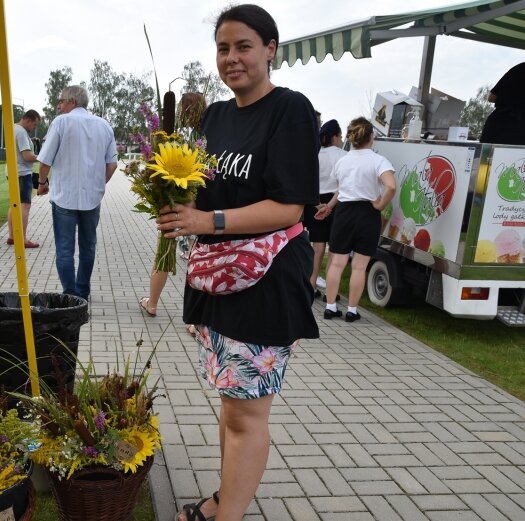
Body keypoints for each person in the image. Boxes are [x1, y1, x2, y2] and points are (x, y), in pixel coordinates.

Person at [155, 6, 320, 520]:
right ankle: (223, 501)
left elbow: (290, 204)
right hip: (221, 278)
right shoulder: (216, 117)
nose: (232, 58)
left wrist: (208, 223)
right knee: (231, 407)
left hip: (266, 280)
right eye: (223, 48)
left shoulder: (290, 110)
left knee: (247, 414)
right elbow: (207, 190)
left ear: (271, 48)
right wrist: (170, 194)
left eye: (244, 46)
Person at [36, 86, 117, 301]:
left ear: (72, 101)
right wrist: (99, 183)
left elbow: (44, 161)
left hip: (64, 196)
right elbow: (112, 164)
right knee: (88, 247)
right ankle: (83, 292)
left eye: (61, 101)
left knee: (65, 249)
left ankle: (70, 295)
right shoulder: (104, 125)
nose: (59, 106)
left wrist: (42, 183)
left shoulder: (61, 123)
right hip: (92, 197)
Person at [317, 117, 396, 322]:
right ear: (371, 136)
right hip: (367, 214)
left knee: (336, 264)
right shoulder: (378, 160)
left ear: (352, 138)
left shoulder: (343, 160)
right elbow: (391, 186)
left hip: (343, 213)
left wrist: (330, 207)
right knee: (359, 266)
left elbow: (341, 190)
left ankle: (331, 307)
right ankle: (352, 310)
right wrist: (380, 205)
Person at [140, 93, 206, 319]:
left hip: (179, 205)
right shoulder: (210, 134)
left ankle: (153, 304)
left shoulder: (177, 136)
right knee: (196, 260)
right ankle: (193, 318)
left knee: (166, 251)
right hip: (202, 207)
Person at [304, 119, 345, 299]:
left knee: (318, 246)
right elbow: (343, 185)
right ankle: (331, 290)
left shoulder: (315, 154)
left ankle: (311, 285)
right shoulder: (343, 155)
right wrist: (329, 206)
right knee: (334, 248)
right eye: (341, 136)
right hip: (335, 201)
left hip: (315, 200)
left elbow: (306, 181)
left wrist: (316, 204)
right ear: (335, 136)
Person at [6, 109, 41, 248]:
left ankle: (12, 236)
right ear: (28, 120)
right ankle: (23, 239)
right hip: (22, 173)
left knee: (14, 204)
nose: (34, 128)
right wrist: (43, 157)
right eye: (35, 125)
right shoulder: (21, 132)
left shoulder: (13, 128)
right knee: (24, 205)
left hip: (12, 171)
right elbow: (27, 156)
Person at [479, 62, 525, 145]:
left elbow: (491, 97)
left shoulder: (519, 68)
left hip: (496, 127)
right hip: (519, 133)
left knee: (486, 157)